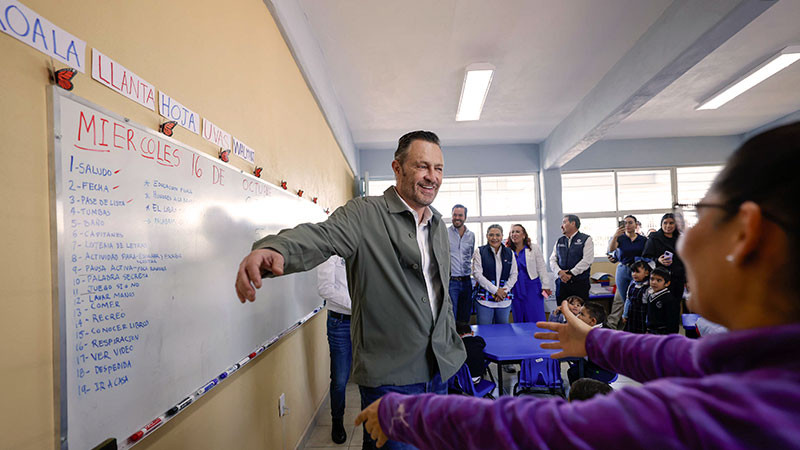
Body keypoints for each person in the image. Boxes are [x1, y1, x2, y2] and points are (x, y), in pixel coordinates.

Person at [355, 122, 800, 450]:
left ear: (746, 235)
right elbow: (682, 356)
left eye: (701, 213)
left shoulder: (724, 414)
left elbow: (543, 427)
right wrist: (596, 342)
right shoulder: (761, 360)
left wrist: (410, 411)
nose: (686, 232)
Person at [235, 130, 466, 450]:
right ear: (397, 169)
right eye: (422, 166)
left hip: (440, 370)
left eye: (438, 168)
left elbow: (440, 294)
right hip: (391, 380)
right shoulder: (364, 214)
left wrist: (451, 339)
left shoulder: (438, 226)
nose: (432, 177)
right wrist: (276, 250)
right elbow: (321, 237)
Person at [317, 256, 352, 444]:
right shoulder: (330, 255)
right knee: (339, 379)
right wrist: (357, 304)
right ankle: (337, 421)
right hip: (340, 323)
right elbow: (325, 289)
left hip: (366, 322)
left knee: (371, 375)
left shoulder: (364, 246)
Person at [643, 213, 685, 333]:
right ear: (661, 224)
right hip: (659, 279)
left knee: (674, 309)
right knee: (658, 308)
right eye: (665, 223)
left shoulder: (681, 239)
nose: (668, 226)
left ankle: (673, 336)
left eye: (671, 223)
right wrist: (658, 260)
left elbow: (686, 260)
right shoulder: (654, 238)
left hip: (677, 279)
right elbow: (646, 258)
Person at [472, 224, 518, 325]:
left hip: (503, 300)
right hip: (484, 300)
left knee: (503, 333)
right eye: (491, 235)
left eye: (497, 235)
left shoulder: (509, 252)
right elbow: (477, 274)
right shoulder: (480, 251)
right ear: (487, 236)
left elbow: (514, 274)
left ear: (502, 236)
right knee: (484, 332)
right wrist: (496, 291)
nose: (494, 238)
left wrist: (503, 291)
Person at [606, 215, 647, 327]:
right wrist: (615, 236)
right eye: (625, 223)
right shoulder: (620, 238)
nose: (627, 225)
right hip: (623, 269)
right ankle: (622, 322)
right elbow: (611, 250)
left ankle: (635, 322)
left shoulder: (643, 239)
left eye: (630, 222)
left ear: (636, 224)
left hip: (638, 269)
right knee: (623, 297)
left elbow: (647, 254)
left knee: (635, 296)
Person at [506, 224, 553, 323]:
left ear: (524, 235)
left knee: (535, 315)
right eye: (512, 232)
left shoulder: (533, 248)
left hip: (532, 287)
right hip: (515, 287)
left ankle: (539, 336)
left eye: (517, 232)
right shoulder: (507, 250)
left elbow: (541, 267)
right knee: (518, 316)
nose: (514, 234)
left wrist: (546, 285)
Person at [549, 214, 594, 302]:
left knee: (580, 313)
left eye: (564, 222)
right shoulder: (560, 241)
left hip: (579, 284)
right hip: (562, 284)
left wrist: (570, 273)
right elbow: (552, 259)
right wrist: (560, 272)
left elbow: (587, 260)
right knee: (562, 311)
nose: (561, 226)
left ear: (573, 223)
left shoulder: (586, 239)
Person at [448, 205, 475, 323]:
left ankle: (464, 340)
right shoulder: (444, 233)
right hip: (451, 282)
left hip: (467, 281)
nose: (457, 218)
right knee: (451, 316)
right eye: (454, 215)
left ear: (465, 217)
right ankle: (452, 341)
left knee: (465, 316)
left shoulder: (471, 235)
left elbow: (471, 256)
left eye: (460, 215)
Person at [622, 260, 652, 334]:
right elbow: (628, 300)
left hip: (642, 315)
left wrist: (648, 322)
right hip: (632, 314)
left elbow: (650, 306)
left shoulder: (649, 287)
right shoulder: (632, 284)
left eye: (637, 272)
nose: (634, 274)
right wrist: (625, 314)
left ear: (647, 273)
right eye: (633, 272)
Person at [645, 267, 672, 335]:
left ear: (667, 283)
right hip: (651, 330)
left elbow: (672, 321)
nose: (654, 282)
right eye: (652, 279)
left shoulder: (669, 299)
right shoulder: (650, 294)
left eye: (659, 280)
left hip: (662, 333)